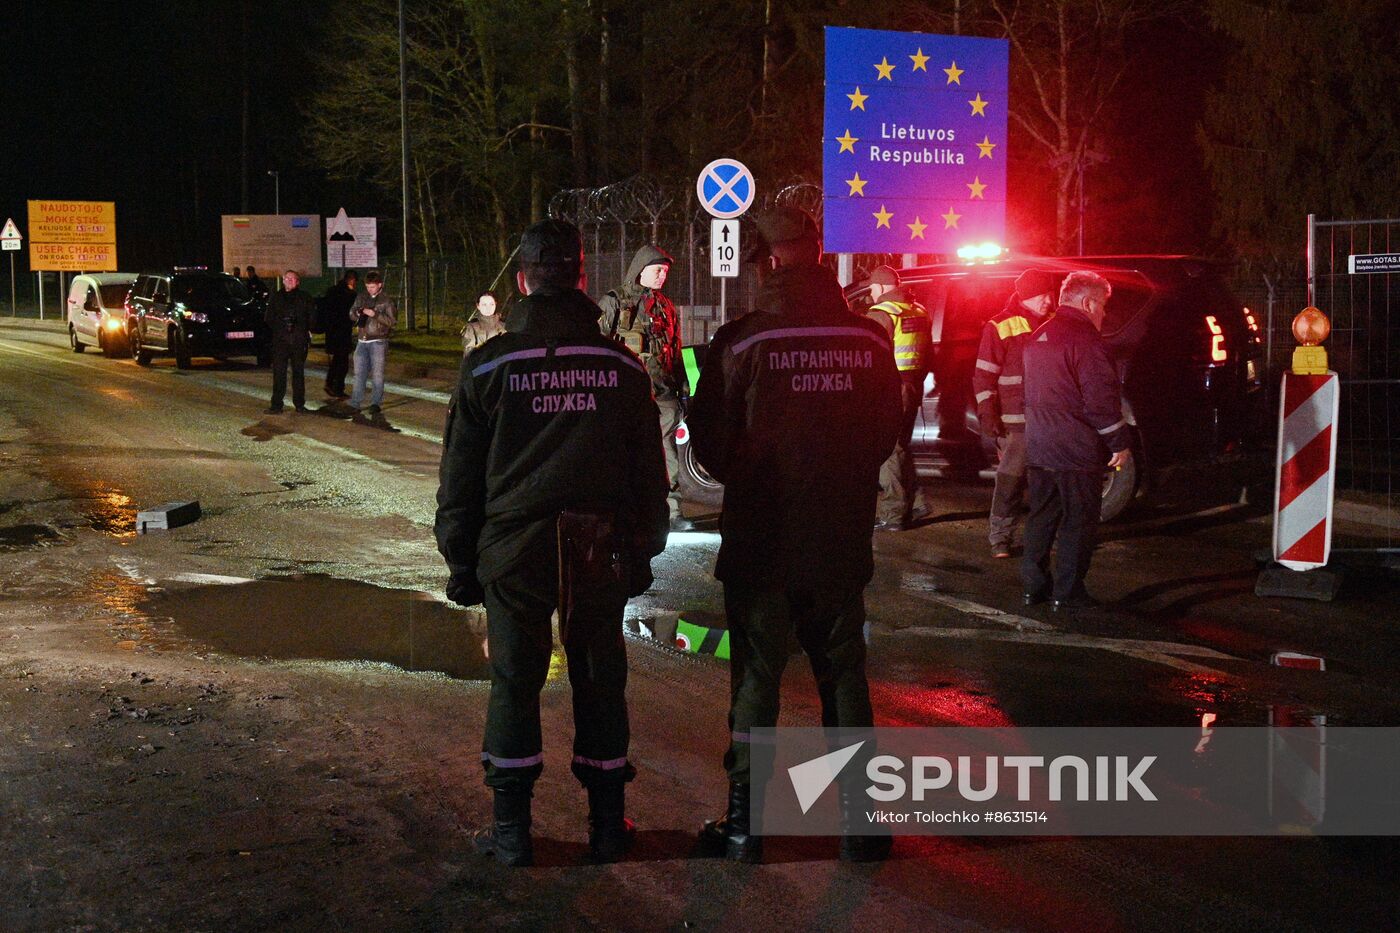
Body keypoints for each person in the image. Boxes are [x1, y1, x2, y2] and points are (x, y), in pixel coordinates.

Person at [435, 219, 670, 867]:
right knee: (599, 677)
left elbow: (460, 479)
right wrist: (645, 550)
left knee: (514, 679)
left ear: (522, 281)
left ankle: (511, 833)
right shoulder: (619, 365)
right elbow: (649, 472)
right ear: (581, 277)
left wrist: (461, 561)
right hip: (597, 543)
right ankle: (604, 827)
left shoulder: (489, 364)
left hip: (516, 545)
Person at [687, 207, 903, 864]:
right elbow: (882, 435)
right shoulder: (869, 340)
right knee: (844, 676)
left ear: (772, 261)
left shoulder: (742, 342)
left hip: (763, 541)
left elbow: (713, 449)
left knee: (757, 678)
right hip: (839, 539)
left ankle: (745, 826)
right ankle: (861, 825)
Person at [1020, 271, 1132, 612]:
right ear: (1087, 302)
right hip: (1076, 450)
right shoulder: (1087, 342)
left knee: (1040, 519)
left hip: (1039, 447)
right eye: (1102, 306)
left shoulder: (1037, 336)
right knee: (1078, 523)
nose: (1103, 314)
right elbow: (1100, 401)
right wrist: (1118, 442)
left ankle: (1033, 588)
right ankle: (1067, 593)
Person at [598, 245, 691, 532]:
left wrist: (684, 388)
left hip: (662, 391)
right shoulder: (614, 302)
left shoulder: (666, 306)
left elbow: (675, 350)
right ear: (640, 270)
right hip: (625, 393)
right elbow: (599, 343)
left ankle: (672, 511)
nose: (662, 275)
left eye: (665, 271)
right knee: (623, 450)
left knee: (668, 453)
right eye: (657, 270)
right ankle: (622, 509)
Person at [974, 268, 1059, 558]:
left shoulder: (1053, 323)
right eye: (1044, 295)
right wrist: (988, 416)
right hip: (1017, 422)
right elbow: (983, 376)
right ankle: (1001, 538)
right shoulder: (1000, 326)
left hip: (1048, 420)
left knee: (1046, 483)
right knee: (1009, 481)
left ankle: (1045, 536)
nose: (1050, 300)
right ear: (1030, 295)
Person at [864, 265, 933, 530]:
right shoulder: (918, 310)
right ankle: (917, 503)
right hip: (912, 386)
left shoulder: (880, 314)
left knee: (888, 449)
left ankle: (893, 515)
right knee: (900, 445)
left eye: (871, 288)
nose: (870, 293)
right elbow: (928, 356)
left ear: (881, 287)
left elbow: (871, 358)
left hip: (889, 389)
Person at [262, 270, 316, 414]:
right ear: (283, 280)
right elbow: (269, 318)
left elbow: (313, 318)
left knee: (298, 374)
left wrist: (302, 328)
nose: (290, 281)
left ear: (298, 282)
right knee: (279, 374)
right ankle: (276, 404)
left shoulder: (304, 297)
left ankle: (299, 404)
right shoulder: (277, 297)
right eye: (287, 278)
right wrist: (281, 327)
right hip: (281, 342)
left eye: (293, 279)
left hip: (298, 341)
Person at [348, 271, 397, 415]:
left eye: (373, 287)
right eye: (368, 286)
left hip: (378, 341)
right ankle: (355, 402)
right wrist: (357, 313)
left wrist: (374, 314)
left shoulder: (386, 300)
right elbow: (351, 312)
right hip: (362, 340)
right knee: (359, 374)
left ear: (380, 285)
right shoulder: (361, 297)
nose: (370, 289)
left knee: (377, 374)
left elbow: (392, 322)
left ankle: (375, 403)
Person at [319, 271, 358, 399]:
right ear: (351, 281)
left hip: (331, 332)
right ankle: (338, 388)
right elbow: (351, 314)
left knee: (336, 361)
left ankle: (330, 384)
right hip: (342, 332)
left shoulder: (332, 291)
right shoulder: (349, 294)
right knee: (342, 363)